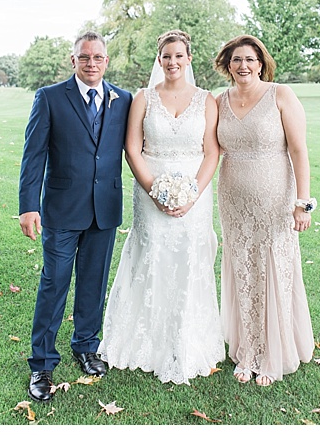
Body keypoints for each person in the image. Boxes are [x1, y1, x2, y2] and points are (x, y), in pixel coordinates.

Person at [99, 30, 224, 383]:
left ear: (189, 59)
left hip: (194, 195)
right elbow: (132, 150)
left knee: (188, 260)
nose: (172, 62)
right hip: (150, 190)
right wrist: (155, 190)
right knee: (151, 255)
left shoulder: (206, 100)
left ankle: (185, 342)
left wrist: (193, 193)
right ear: (159, 60)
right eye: (166, 56)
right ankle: (142, 340)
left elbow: (212, 151)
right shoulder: (144, 99)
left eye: (178, 56)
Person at [19, 31, 134, 401]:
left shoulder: (124, 100)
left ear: (106, 61)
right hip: (61, 209)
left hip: (105, 208)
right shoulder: (50, 98)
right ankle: (42, 363)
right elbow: (33, 155)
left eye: (98, 58)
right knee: (54, 283)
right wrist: (28, 204)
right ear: (73, 61)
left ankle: (86, 345)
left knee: (93, 283)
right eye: (84, 58)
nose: (91, 64)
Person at [213, 35, 315, 386]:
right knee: (242, 269)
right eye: (237, 59)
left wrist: (303, 203)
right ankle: (248, 350)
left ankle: (273, 354)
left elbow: (299, 151)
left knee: (273, 268)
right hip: (233, 200)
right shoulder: (218, 101)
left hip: (275, 199)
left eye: (250, 60)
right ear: (228, 64)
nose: (244, 66)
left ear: (261, 63)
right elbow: (209, 150)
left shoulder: (281, 95)